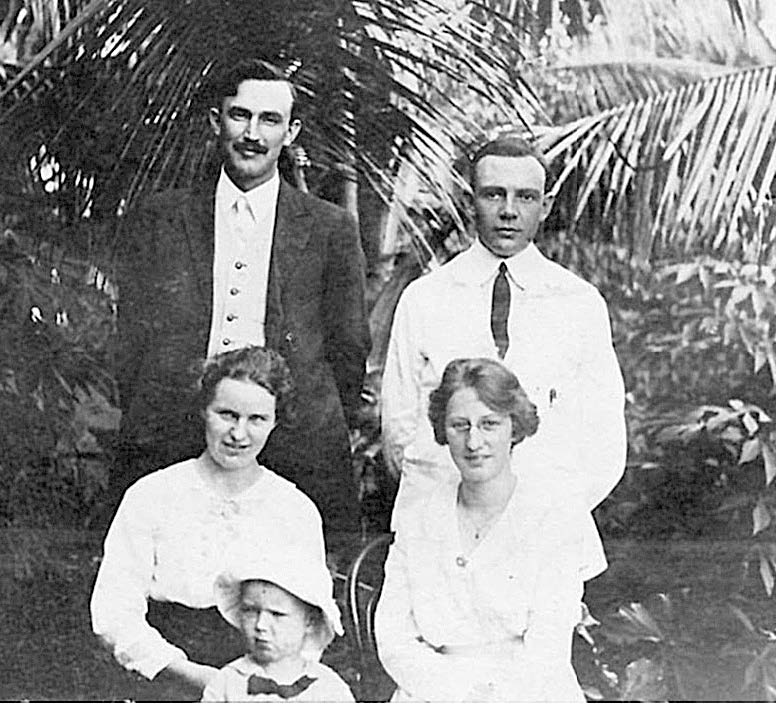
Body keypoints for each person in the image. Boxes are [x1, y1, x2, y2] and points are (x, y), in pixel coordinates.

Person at [113, 59, 370, 531]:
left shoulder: (330, 228)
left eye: (270, 120)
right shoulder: (160, 219)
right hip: (173, 435)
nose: (253, 133)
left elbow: (348, 347)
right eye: (240, 115)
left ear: (291, 132)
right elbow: (130, 343)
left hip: (295, 445)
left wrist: (307, 416)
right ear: (217, 121)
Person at [381, 136, 626, 540]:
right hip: (439, 528)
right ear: (470, 199)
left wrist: (548, 515)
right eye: (494, 194)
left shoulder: (579, 304)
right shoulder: (425, 298)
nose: (509, 211)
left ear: (545, 206)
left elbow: (604, 442)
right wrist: (445, 507)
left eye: (526, 197)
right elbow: (399, 430)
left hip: (545, 532)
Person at [91, 346, 328, 701]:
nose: (238, 433)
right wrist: (197, 677)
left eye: (256, 419)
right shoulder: (153, 494)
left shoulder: (294, 509)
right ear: (204, 410)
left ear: (276, 421)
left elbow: (311, 624)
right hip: (163, 677)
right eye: (227, 414)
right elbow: (114, 613)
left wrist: (267, 686)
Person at [375, 358, 604, 702]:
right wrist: (456, 692)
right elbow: (393, 636)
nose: (473, 442)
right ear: (442, 431)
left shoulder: (552, 518)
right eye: (459, 426)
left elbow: (548, 647)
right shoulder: (420, 517)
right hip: (433, 691)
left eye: (489, 424)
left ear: (514, 427)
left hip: (530, 691)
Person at [202, 547, 354, 702]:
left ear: (310, 621)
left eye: (277, 614)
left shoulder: (329, 688)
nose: (260, 625)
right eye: (251, 611)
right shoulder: (227, 682)